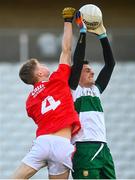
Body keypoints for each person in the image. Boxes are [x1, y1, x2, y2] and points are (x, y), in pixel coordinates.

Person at [11, 7, 81, 180]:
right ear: (39, 74)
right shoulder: (58, 78)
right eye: (40, 65)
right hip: (62, 143)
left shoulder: (29, 101)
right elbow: (66, 50)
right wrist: (67, 21)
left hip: (43, 142)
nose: (44, 66)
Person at [70, 11, 116, 179]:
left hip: (103, 148)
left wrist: (102, 34)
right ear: (77, 74)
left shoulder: (96, 89)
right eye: (87, 70)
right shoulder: (74, 91)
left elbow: (110, 64)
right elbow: (78, 61)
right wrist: (82, 31)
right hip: (84, 147)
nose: (92, 72)